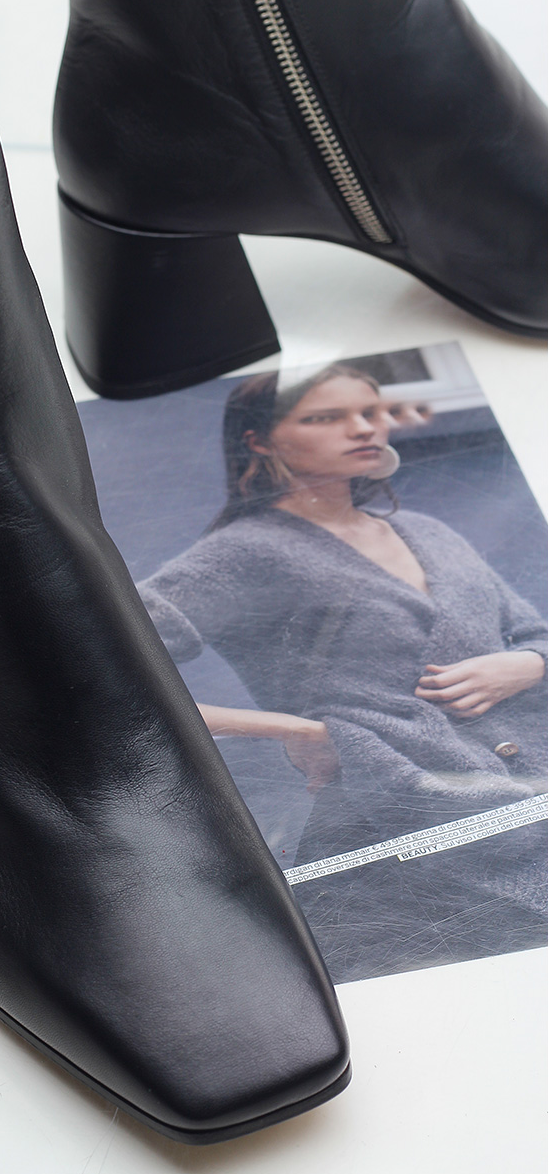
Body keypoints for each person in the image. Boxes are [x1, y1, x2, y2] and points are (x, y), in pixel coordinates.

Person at [137, 364, 547, 980]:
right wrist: (297, 731)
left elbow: (534, 635)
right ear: (260, 441)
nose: (363, 428)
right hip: (400, 834)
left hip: (533, 798)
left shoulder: (428, 531)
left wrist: (529, 663)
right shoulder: (244, 552)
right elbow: (99, 663)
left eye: (371, 412)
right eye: (326, 417)